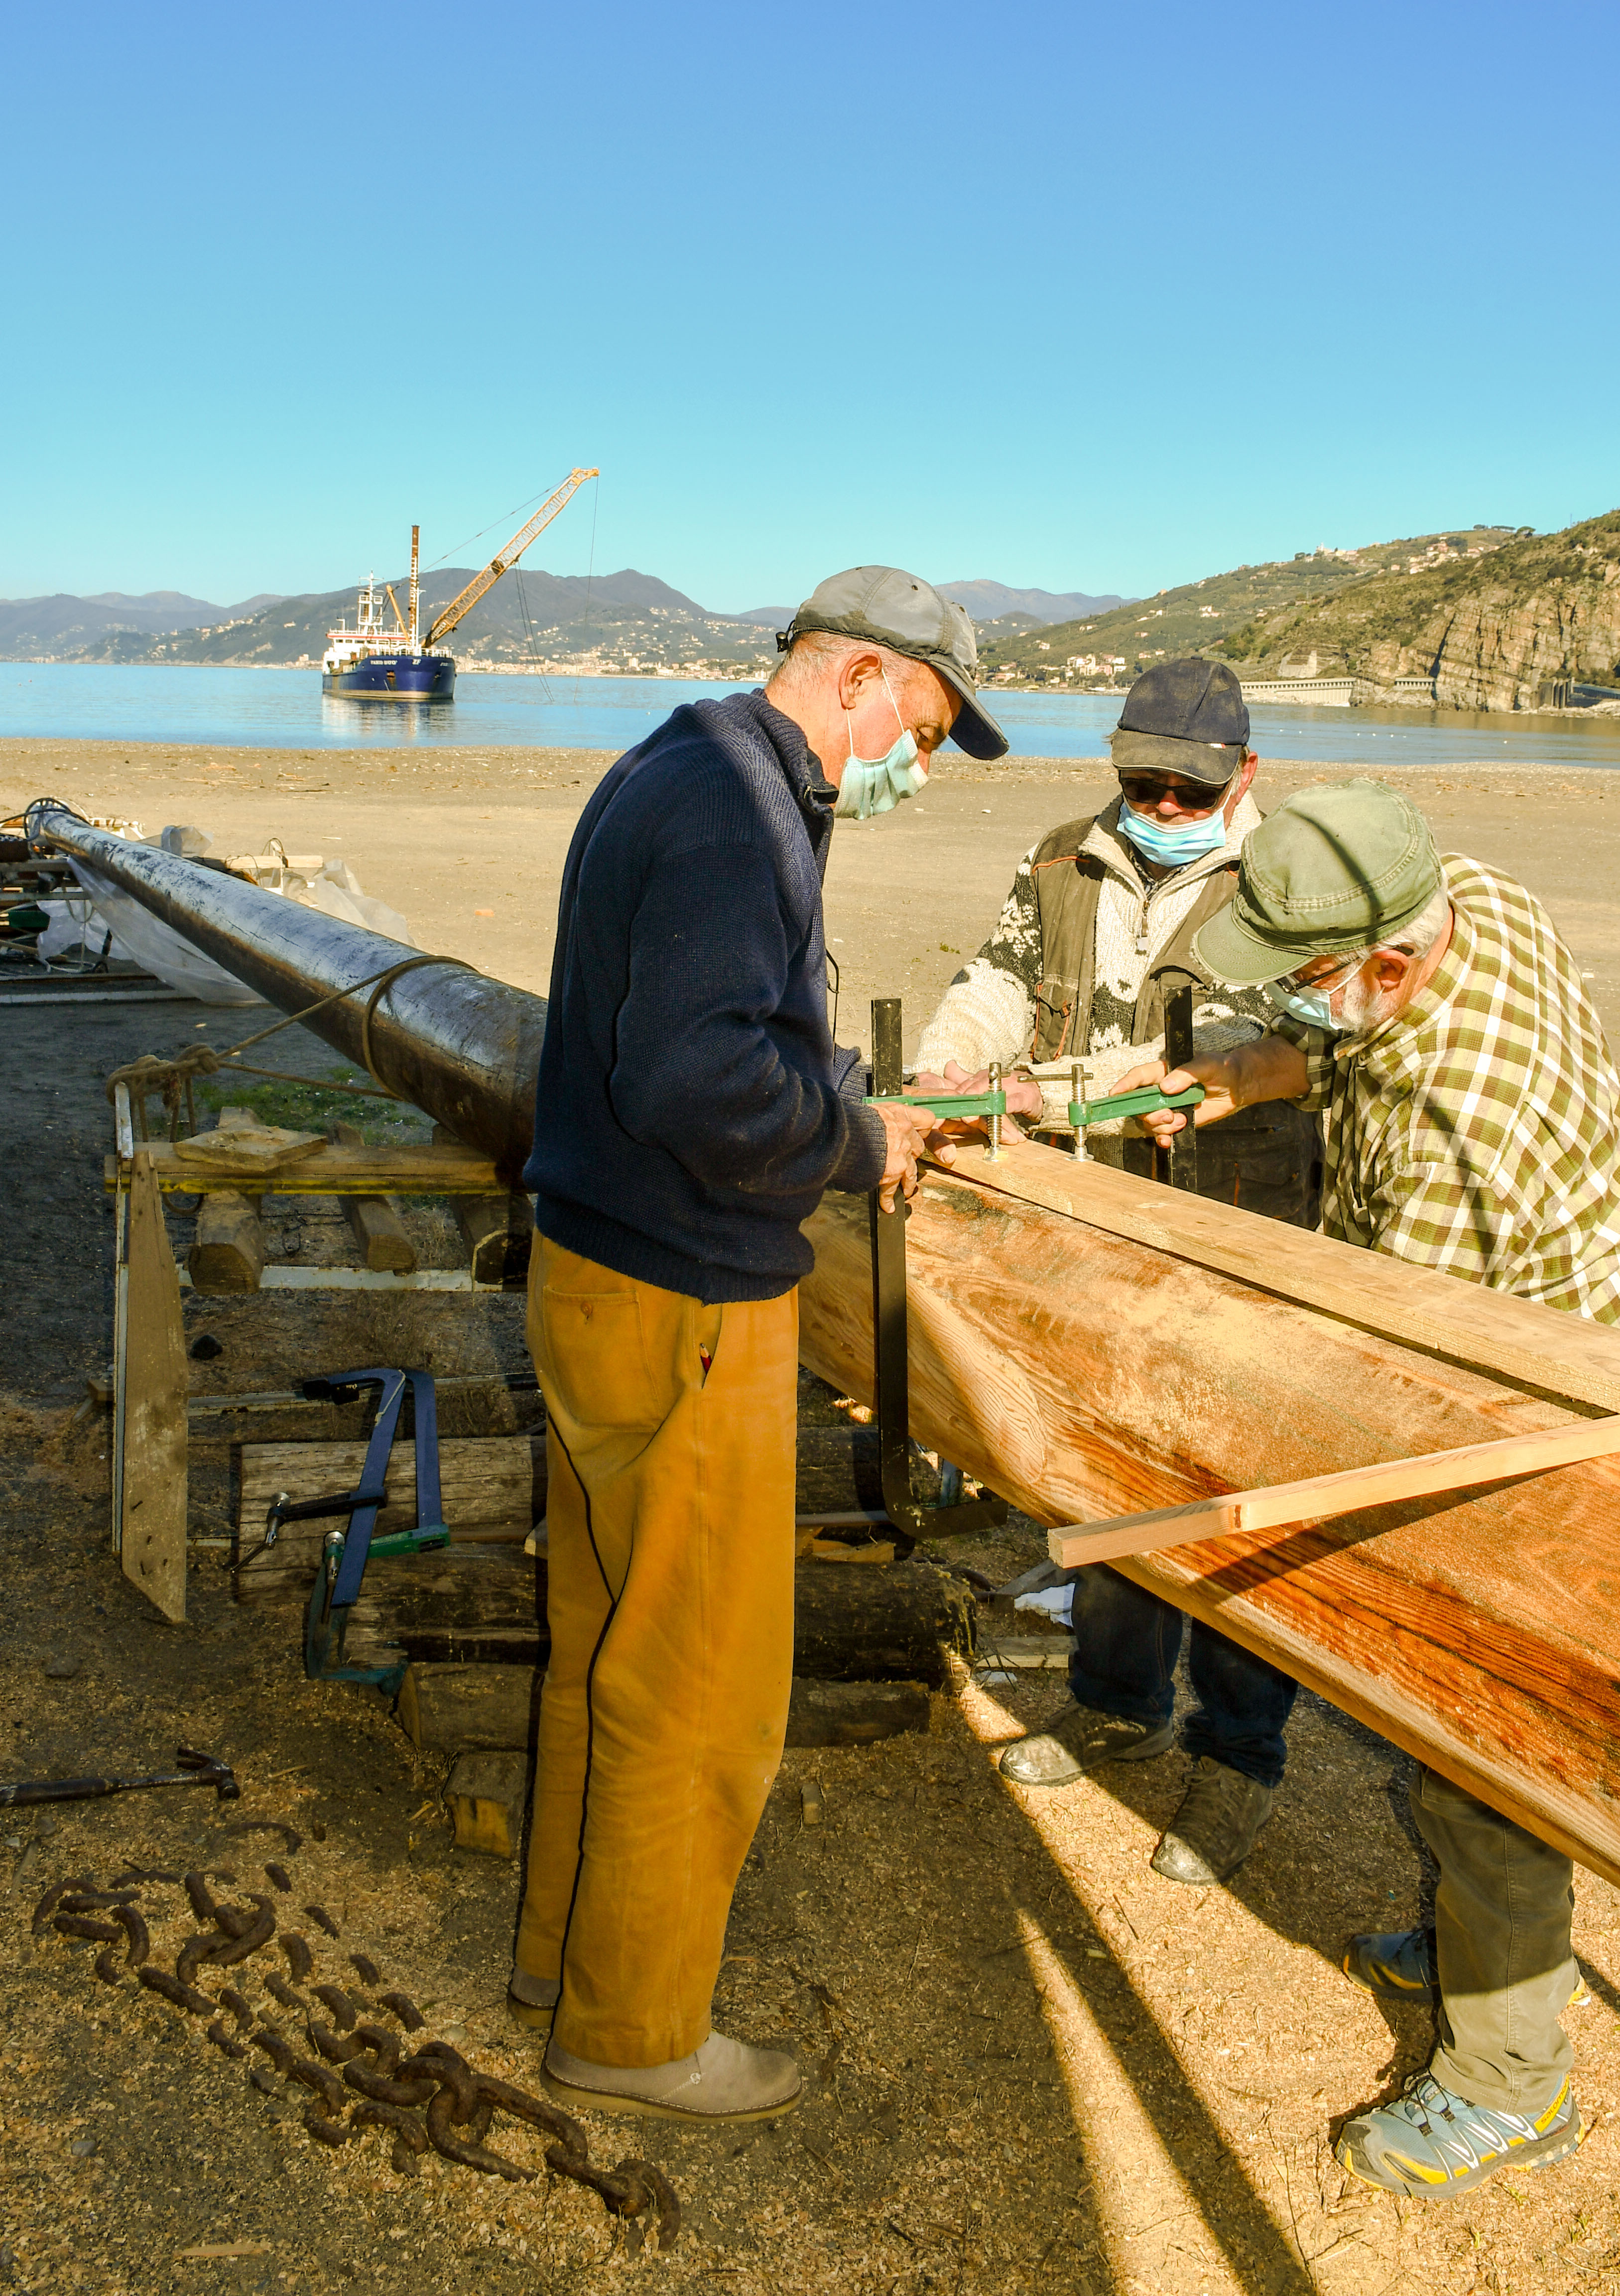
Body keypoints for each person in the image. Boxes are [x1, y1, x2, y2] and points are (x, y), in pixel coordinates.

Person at [511, 567, 1008, 2127]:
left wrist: (829, 1078)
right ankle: (635, 2027)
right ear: (856, 671)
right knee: (702, 1681)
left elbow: (696, 1031)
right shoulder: (740, 806)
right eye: (911, 728)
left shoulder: (678, 759)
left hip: (594, 1267)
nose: (902, 763)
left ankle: (564, 1954)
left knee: (607, 1635)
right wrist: (858, 1140)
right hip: (686, 1297)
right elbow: (697, 1079)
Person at [1130, 776, 1618, 2196]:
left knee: (1486, 1738)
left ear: (1387, 961)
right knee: (1475, 1752)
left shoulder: (1461, 1129)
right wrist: (1249, 1070)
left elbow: (1378, 1379)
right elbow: (1351, 1042)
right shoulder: (1453, 886)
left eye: (1296, 990)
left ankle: (1509, 2081)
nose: (1283, 1008)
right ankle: (1484, 1950)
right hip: (1522, 1322)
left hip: (1527, 1409)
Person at [913, 658, 1320, 1887]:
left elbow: (1298, 1043)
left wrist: (1131, 1086)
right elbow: (998, 979)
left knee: (1239, 1495)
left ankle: (1237, 1752)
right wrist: (949, 1063)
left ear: (1244, 776)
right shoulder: (1059, 858)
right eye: (1140, 781)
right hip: (1088, 1224)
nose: (1158, 804)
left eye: (1187, 792)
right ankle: (1116, 1702)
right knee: (1098, 1477)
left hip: (1238, 1230)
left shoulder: (1297, 882)